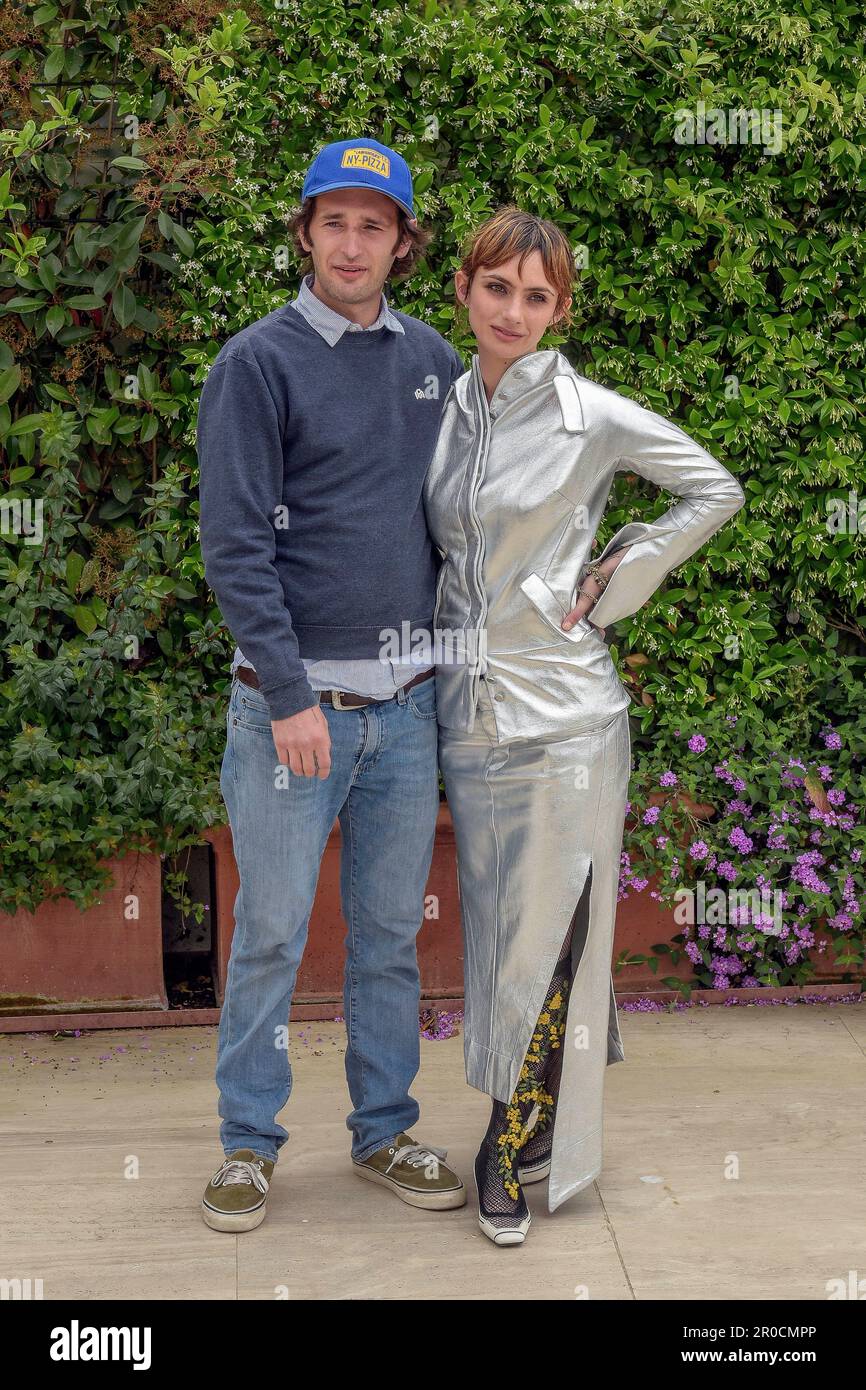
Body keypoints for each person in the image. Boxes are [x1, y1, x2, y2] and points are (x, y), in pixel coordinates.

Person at [422, 206, 746, 1245]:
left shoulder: (591, 412)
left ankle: (508, 1141)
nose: (513, 309)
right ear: (465, 291)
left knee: (548, 941)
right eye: (496, 287)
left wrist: (624, 568)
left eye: (536, 295)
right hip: (468, 720)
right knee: (494, 935)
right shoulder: (442, 407)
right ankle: (532, 1115)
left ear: (559, 308)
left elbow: (712, 486)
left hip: (567, 719)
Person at [196, 138, 467, 1232]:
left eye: (375, 224)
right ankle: (247, 1145)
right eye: (333, 221)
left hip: (405, 713)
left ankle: (384, 1129)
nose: (352, 242)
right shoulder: (255, 364)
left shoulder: (434, 358)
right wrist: (294, 693)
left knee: (390, 934)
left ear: (401, 243)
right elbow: (233, 548)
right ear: (305, 233)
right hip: (288, 714)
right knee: (268, 931)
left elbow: (463, 523)